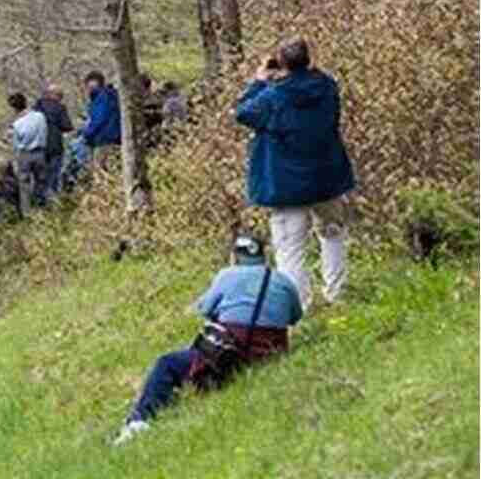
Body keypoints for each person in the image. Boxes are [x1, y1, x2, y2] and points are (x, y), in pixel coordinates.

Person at [114, 233, 302, 445]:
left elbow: (204, 309)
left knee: (167, 364)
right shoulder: (284, 280)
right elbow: (295, 317)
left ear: (235, 257)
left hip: (233, 353)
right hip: (270, 354)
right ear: (263, 256)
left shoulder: (227, 275)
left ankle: (139, 422)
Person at [236, 38, 356, 311]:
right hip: (327, 178)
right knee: (333, 234)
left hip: (285, 185)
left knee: (290, 250)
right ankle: (336, 294)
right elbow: (322, 81)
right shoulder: (326, 87)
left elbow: (243, 112)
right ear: (308, 59)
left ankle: (300, 306)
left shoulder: (273, 96)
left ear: (283, 64)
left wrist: (259, 80)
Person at [63, 71, 122, 189]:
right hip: (112, 139)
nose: (87, 89)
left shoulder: (103, 97)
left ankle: (104, 198)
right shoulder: (109, 96)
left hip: (103, 139)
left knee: (101, 173)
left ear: (93, 83)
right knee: (109, 171)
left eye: (87, 85)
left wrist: (86, 134)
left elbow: (99, 119)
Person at [33, 83, 74, 205]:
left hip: (38, 147)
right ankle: (51, 204)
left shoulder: (37, 107)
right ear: (57, 96)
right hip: (55, 147)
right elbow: (67, 126)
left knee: (39, 177)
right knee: (53, 176)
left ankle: (38, 203)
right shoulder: (60, 108)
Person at [7, 92, 48, 213]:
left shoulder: (17, 125)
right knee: (41, 182)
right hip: (40, 152)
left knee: (24, 185)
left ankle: (27, 212)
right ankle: (41, 208)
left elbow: (15, 145)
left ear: (14, 108)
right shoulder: (40, 116)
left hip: (24, 154)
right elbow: (45, 132)